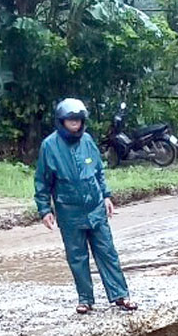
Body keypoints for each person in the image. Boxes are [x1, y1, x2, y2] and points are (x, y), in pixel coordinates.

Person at [34, 98, 138, 314]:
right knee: (77, 256)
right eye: (71, 121)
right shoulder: (49, 146)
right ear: (61, 122)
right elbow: (42, 181)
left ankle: (120, 295)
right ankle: (85, 299)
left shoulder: (88, 141)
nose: (75, 125)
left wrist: (106, 196)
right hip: (69, 210)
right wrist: (44, 209)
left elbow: (98, 172)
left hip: (95, 207)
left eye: (78, 121)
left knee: (107, 251)